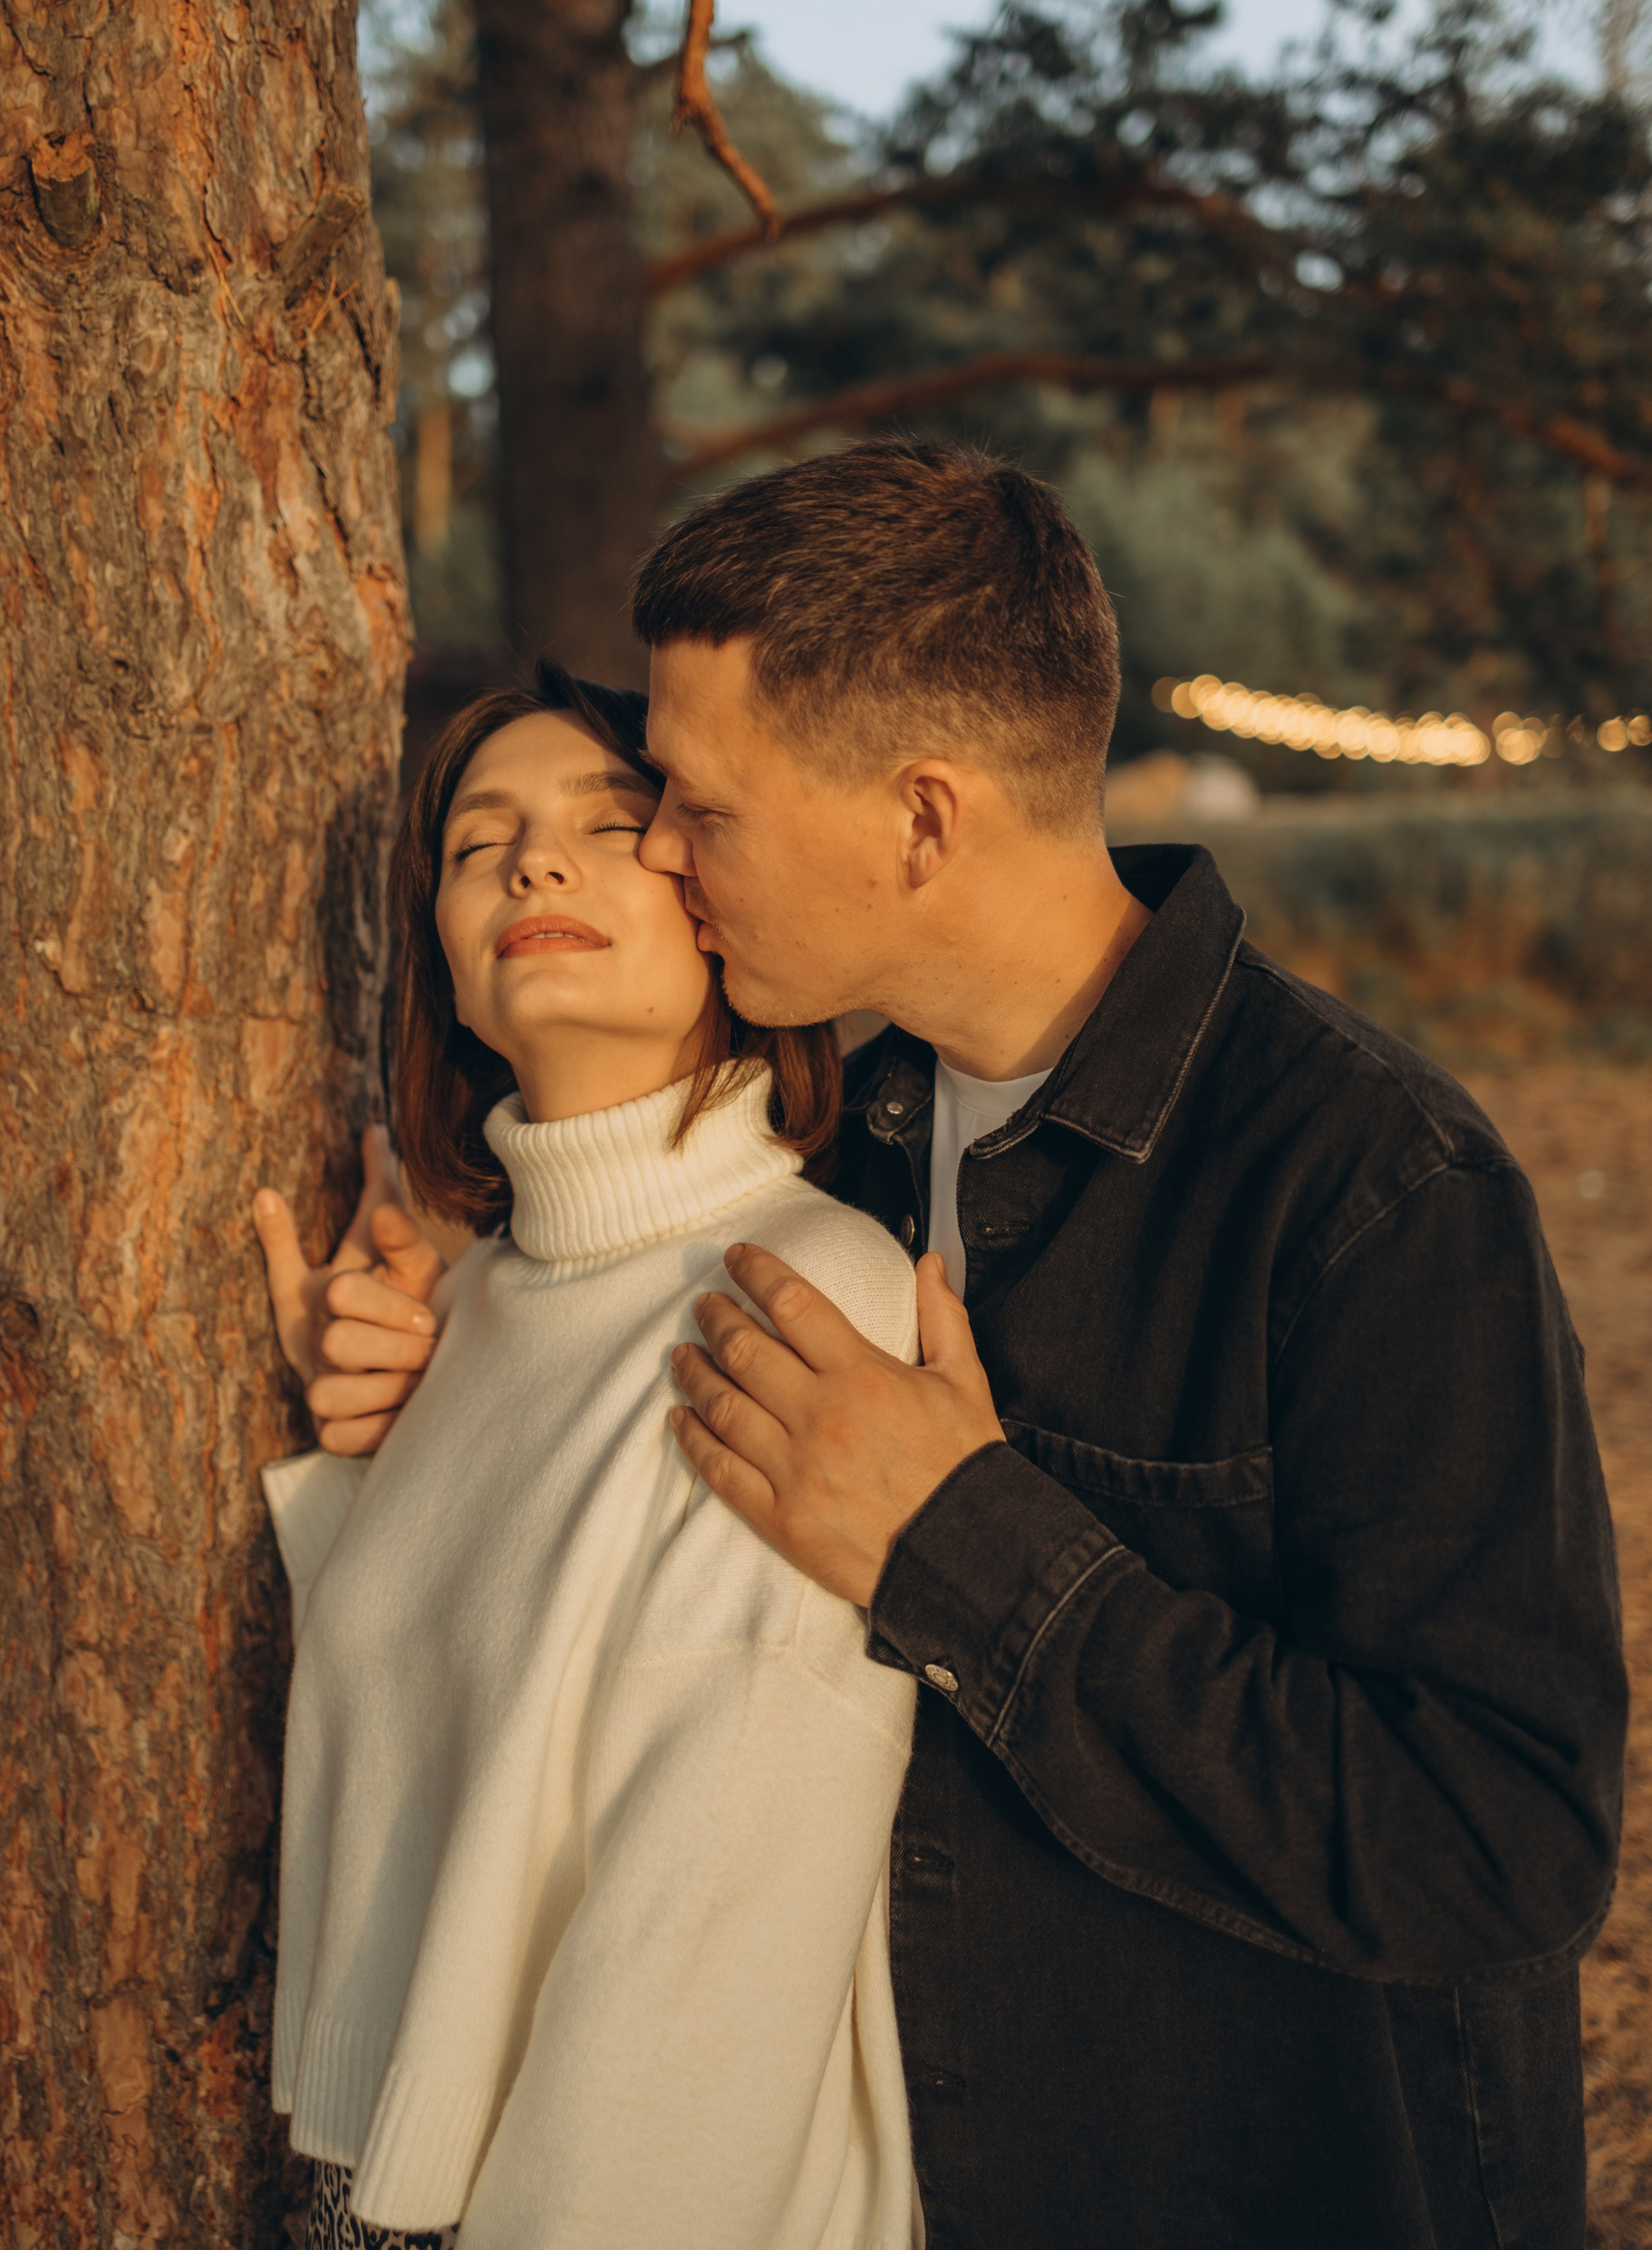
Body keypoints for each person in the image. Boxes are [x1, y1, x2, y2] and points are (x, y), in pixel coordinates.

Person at [281, 443, 1626, 2250]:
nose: (661, 854)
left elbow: (1497, 1845)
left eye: (699, 809)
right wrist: (443, 1341)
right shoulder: (838, 1131)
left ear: (920, 820)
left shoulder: (1371, 1189)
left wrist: (970, 1554)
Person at [255, 665, 924, 2249]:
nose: (532, 865)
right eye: (480, 845)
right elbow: (453, 1708)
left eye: (608, 827)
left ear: (717, 907)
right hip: (364, 2177)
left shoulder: (803, 1291)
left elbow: (704, 1926)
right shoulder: (477, 1294)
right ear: (451, 974)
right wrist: (352, 1459)